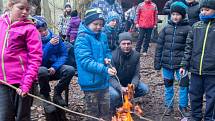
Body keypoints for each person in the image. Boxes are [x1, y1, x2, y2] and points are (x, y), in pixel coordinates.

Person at [0, 0, 42, 120]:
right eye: (21, 8)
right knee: (4, 117)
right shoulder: (1, 24)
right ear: (10, 5)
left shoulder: (30, 29)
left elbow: (35, 58)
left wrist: (26, 84)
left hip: (22, 81)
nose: (24, 12)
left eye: (27, 10)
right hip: (3, 82)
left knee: (22, 117)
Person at [75, 8, 116, 121]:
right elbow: (85, 61)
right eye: (95, 24)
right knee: (92, 114)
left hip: (103, 81)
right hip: (90, 83)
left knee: (106, 111)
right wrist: (105, 69)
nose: (98, 27)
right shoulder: (82, 38)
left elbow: (107, 51)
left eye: (101, 24)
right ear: (88, 23)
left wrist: (108, 59)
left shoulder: (102, 35)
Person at [154, 1, 191, 117]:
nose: (175, 16)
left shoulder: (188, 29)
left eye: (178, 14)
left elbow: (189, 48)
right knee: (168, 85)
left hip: (181, 65)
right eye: (173, 14)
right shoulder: (166, 28)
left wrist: (185, 64)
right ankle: (168, 105)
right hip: (166, 64)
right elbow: (159, 46)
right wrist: (157, 62)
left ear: (183, 15)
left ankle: (183, 106)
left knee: (184, 85)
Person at [180, 0, 215, 120]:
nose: (204, 12)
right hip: (195, 70)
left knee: (212, 97)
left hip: (212, 72)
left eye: (207, 10)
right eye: (202, 10)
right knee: (194, 95)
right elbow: (188, 47)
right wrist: (184, 65)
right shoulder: (195, 26)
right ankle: (195, 116)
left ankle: (210, 118)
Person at [34, 16, 75, 108]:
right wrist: (49, 45)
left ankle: (57, 92)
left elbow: (64, 54)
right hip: (42, 71)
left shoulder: (56, 38)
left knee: (70, 70)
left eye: (44, 29)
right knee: (42, 70)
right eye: (40, 31)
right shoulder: (33, 41)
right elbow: (40, 60)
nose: (43, 33)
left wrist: (55, 67)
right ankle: (46, 96)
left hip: (55, 68)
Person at [109, 32, 149, 114]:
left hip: (128, 83)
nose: (126, 46)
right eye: (123, 44)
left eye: (128, 44)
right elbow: (111, 78)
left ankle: (126, 100)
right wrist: (120, 88)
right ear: (119, 44)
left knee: (144, 89)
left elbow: (136, 74)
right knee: (115, 95)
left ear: (131, 44)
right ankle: (118, 104)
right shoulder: (113, 56)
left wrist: (133, 86)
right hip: (116, 83)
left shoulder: (136, 55)